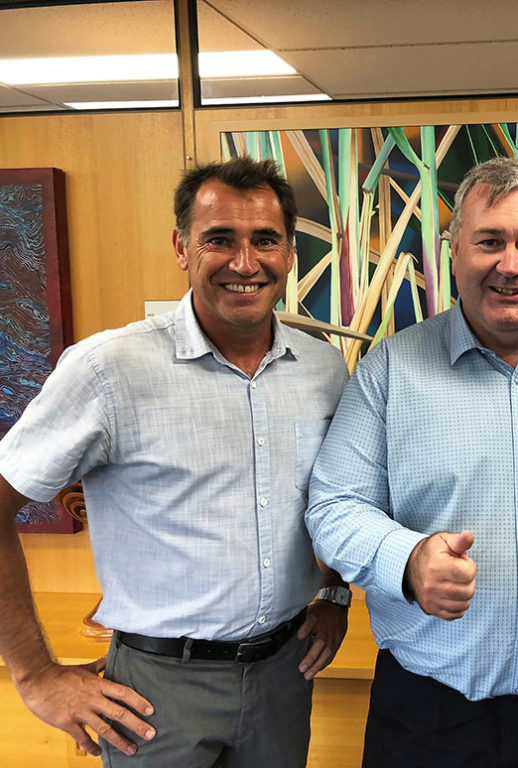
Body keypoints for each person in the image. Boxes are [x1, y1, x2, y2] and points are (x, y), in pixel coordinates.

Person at [0, 157, 352, 767]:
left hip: (283, 675)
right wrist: (34, 675)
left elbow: (337, 496)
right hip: (155, 691)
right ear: (182, 247)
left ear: (289, 252)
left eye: (265, 240)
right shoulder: (108, 370)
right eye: (220, 239)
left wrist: (334, 594)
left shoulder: (323, 369)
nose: (245, 263)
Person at [306, 156, 518, 767]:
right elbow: (334, 506)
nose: (510, 265)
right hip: (427, 713)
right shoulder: (391, 370)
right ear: (454, 250)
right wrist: (407, 560)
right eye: (489, 241)